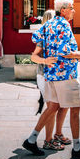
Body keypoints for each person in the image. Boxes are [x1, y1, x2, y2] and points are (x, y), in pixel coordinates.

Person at [22, 0, 80, 159]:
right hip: (66, 76)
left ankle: (31, 139)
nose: (74, 10)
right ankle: (77, 148)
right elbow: (64, 51)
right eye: (72, 7)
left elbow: (35, 55)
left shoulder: (47, 25)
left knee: (52, 107)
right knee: (75, 109)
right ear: (63, 10)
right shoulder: (64, 25)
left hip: (50, 76)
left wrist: (45, 61)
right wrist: (79, 55)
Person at [32, 9, 71, 151]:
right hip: (44, 76)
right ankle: (47, 141)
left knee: (63, 105)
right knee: (52, 107)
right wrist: (45, 60)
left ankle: (58, 134)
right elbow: (33, 57)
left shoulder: (58, 36)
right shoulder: (43, 36)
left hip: (58, 76)